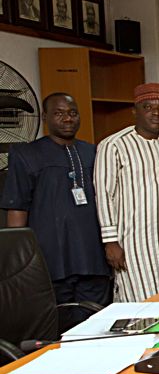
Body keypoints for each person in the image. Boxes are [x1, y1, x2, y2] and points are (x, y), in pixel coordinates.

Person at [2, 93, 111, 311]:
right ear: (45, 117)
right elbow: (17, 210)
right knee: (60, 327)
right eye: (59, 113)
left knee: (95, 324)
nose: (68, 119)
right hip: (51, 261)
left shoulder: (94, 152)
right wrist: (22, 262)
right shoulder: (27, 155)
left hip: (93, 260)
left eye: (72, 113)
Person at [95, 83, 159, 301]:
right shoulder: (113, 145)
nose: (156, 113)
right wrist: (110, 242)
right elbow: (104, 194)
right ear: (135, 111)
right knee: (140, 299)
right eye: (148, 107)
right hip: (134, 241)